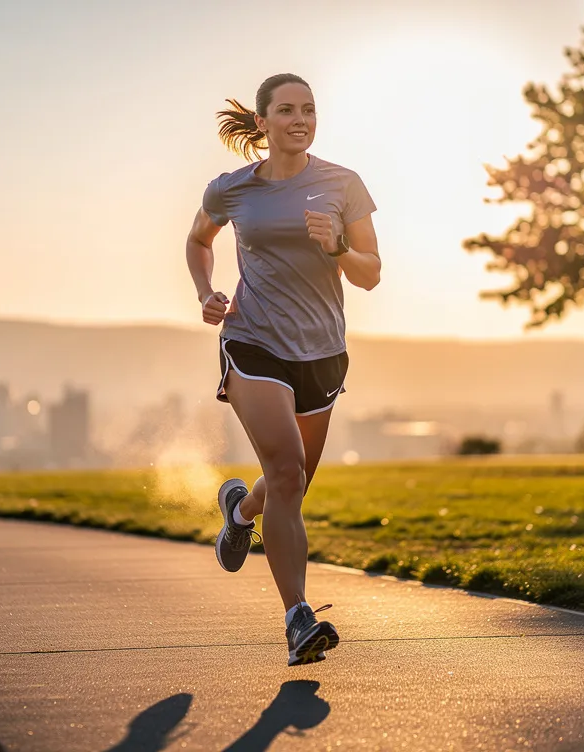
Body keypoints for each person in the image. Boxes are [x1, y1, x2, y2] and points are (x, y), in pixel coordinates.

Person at [184, 73, 381, 666]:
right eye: (288, 110)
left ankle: (241, 511)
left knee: (291, 482)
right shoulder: (232, 190)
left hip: (322, 352)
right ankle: (298, 619)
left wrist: (338, 248)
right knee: (289, 470)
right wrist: (205, 292)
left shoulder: (343, 185)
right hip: (254, 341)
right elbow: (198, 240)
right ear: (263, 122)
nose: (301, 119)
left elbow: (371, 273)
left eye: (310, 110)